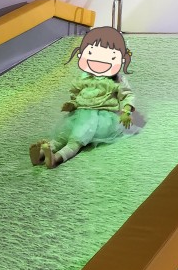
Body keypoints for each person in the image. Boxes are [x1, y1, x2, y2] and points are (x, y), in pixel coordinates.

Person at [30, 26, 137, 169]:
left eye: (109, 57)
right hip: (79, 113)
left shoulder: (116, 81)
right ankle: (41, 154)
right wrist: (72, 104)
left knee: (77, 138)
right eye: (91, 54)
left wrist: (126, 111)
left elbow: (127, 95)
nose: (98, 62)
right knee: (63, 135)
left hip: (100, 117)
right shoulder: (84, 78)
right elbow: (77, 94)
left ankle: (56, 158)